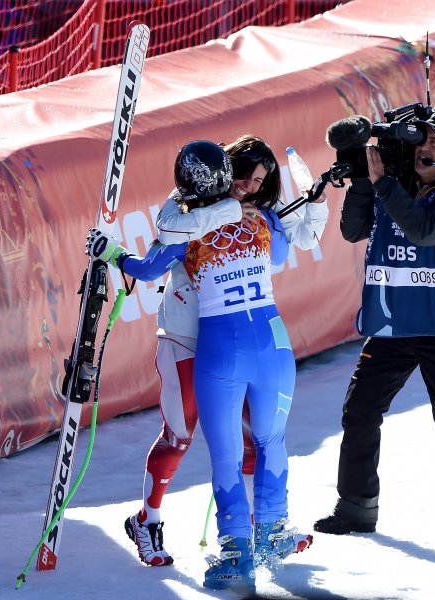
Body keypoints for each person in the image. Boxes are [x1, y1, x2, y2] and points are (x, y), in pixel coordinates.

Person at [88, 139, 315, 592]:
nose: (250, 188)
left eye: (257, 183)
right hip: (201, 342)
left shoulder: (216, 222)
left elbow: (154, 264)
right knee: (188, 435)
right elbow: (159, 259)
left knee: (243, 441)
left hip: (221, 343)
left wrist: (111, 253)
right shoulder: (205, 215)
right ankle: (151, 520)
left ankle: (248, 539)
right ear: (224, 178)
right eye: (243, 179)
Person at [313, 110, 435, 542]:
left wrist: (383, 184)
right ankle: (356, 509)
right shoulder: (395, 186)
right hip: (393, 326)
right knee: (359, 413)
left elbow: (424, 229)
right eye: (422, 140)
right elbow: (352, 229)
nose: (423, 148)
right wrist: (362, 174)